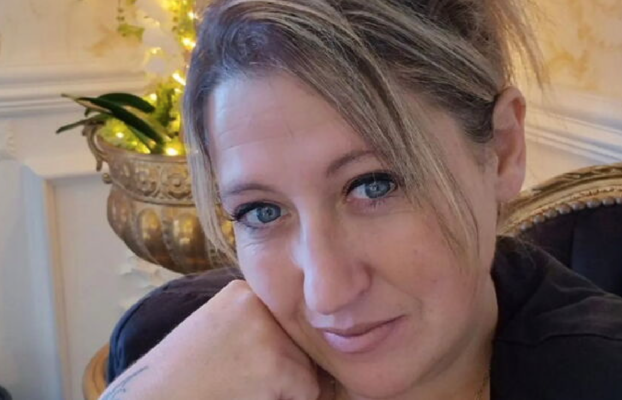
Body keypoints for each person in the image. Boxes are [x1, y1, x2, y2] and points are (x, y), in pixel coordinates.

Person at [100, 0, 622, 399]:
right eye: (262, 211)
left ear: (503, 150)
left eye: (375, 185)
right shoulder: (165, 351)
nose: (326, 293)